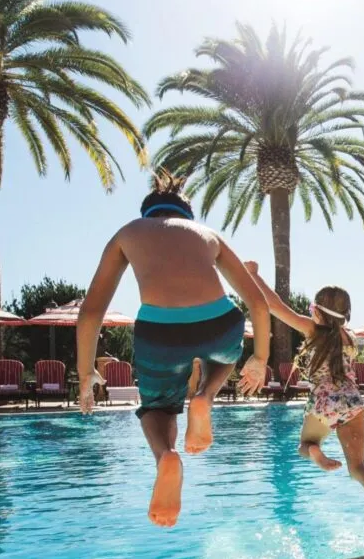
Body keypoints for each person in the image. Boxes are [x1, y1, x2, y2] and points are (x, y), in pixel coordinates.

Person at [77, 172, 270, 528]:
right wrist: (260, 358)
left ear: (148, 213)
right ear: (187, 215)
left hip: (160, 332)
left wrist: (86, 372)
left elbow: (91, 312)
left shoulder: (128, 233)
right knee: (225, 357)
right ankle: (205, 397)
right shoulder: (207, 234)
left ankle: (166, 455)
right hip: (220, 322)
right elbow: (257, 303)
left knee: (158, 407)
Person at [244, 262, 364, 543]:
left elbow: (275, 305)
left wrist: (253, 276)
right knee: (359, 467)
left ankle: (315, 451)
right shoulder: (350, 338)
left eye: (311, 309)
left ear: (317, 311)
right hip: (352, 400)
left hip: (323, 401)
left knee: (304, 445)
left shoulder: (313, 330)